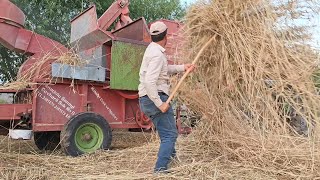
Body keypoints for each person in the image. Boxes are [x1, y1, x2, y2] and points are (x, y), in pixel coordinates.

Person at [138, 21, 195, 173]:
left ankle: (171, 159)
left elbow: (164, 70)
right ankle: (160, 169)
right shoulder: (157, 54)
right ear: (166, 36)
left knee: (168, 132)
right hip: (154, 98)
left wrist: (183, 68)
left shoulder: (153, 50)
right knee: (170, 134)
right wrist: (159, 103)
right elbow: (150, 82)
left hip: (147, 98)